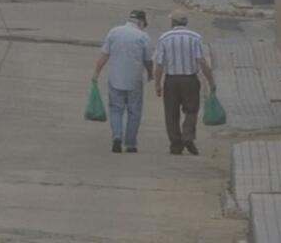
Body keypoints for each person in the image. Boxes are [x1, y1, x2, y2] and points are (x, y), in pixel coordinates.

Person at [153, 11, 216, 156]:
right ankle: (187, 136)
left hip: (171, 80)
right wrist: (211, 80)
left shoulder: (164, 37)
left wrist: (157, 84)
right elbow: (201, 61)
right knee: (191, 110)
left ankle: (176, 144)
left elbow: (160, 64)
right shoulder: (195, 37)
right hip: (190, 80)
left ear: (173, 23)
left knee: (171, 113)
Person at [92, 9, 152, 153]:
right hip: (135, 80)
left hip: (115, 78)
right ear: (141, 22)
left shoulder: (114, 32)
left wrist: (96, 73)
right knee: (134, 112)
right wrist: (151, 74)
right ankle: (130, 144)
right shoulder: (143, 36)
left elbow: (104, 55)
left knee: (116, 110)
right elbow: (148, 60)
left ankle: (117, 138)